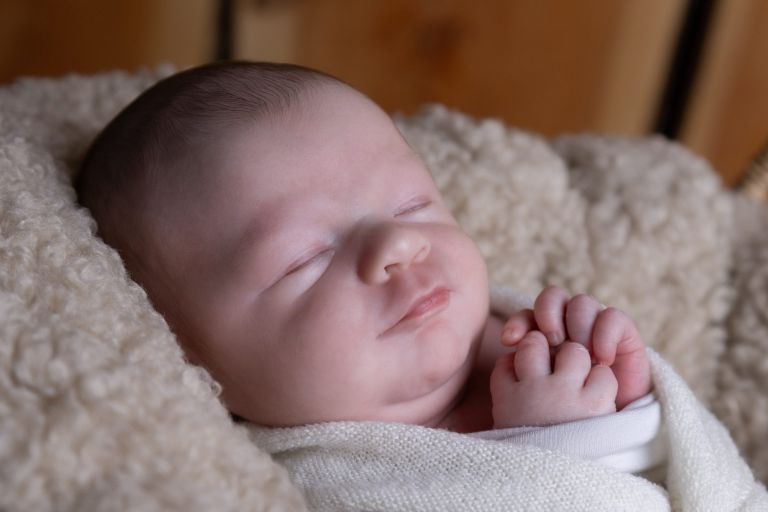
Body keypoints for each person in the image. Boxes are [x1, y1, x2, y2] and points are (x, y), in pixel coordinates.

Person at [74, 61, 652, 437]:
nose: (400, 243)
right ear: (187, 356)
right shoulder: (323, 481)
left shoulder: (530, 334)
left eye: (412, 205)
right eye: (303, 259)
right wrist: (554, 447)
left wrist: (634, 400)